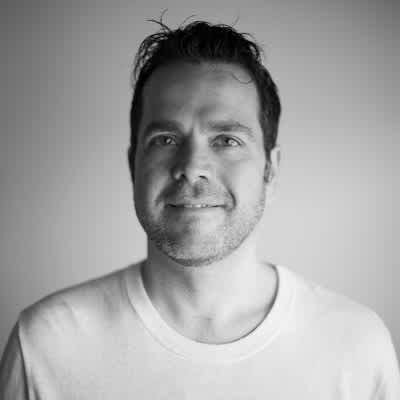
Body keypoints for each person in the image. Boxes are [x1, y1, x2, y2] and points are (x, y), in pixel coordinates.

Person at [1, 19, 399, 399]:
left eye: (226, 140)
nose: (192, 167)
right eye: (165, 139)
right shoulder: (45, 344)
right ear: (133, 164)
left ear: (270, 169)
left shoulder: (356, 346)